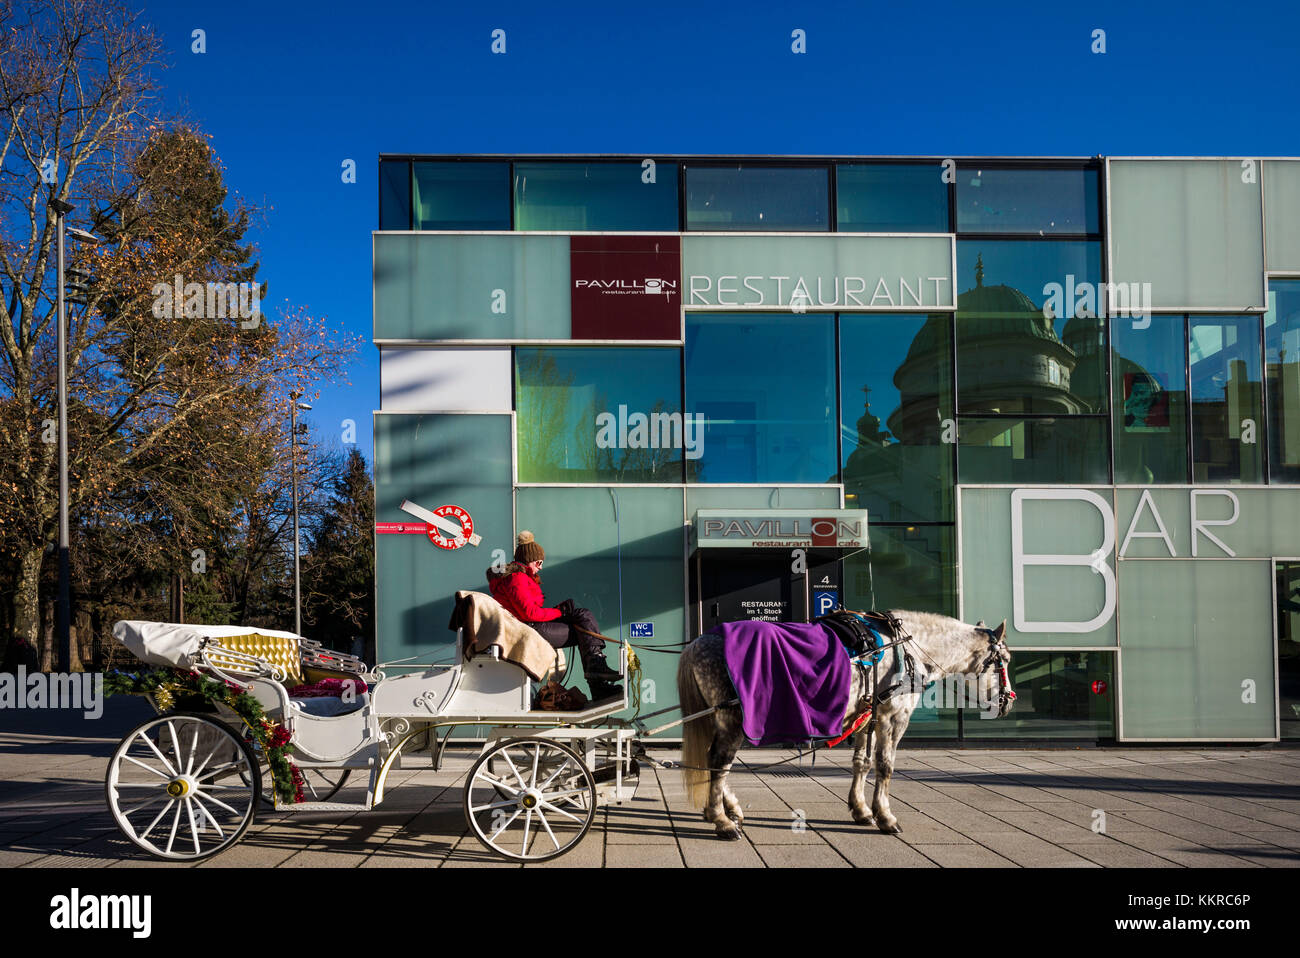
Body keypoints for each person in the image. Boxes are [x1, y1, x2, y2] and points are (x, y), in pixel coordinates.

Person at [486, 531, 622, 696]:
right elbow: (529, 613)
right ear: (529, 560)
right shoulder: (517, 578)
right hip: (530, 629)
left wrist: (560, 611)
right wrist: (559, 611)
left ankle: (597, 671)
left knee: (581, 615)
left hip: (529, 627)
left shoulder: (517, 577)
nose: (541, 566)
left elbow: (528, 611)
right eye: (539, 562)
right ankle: (597, 677)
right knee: (583, 620)